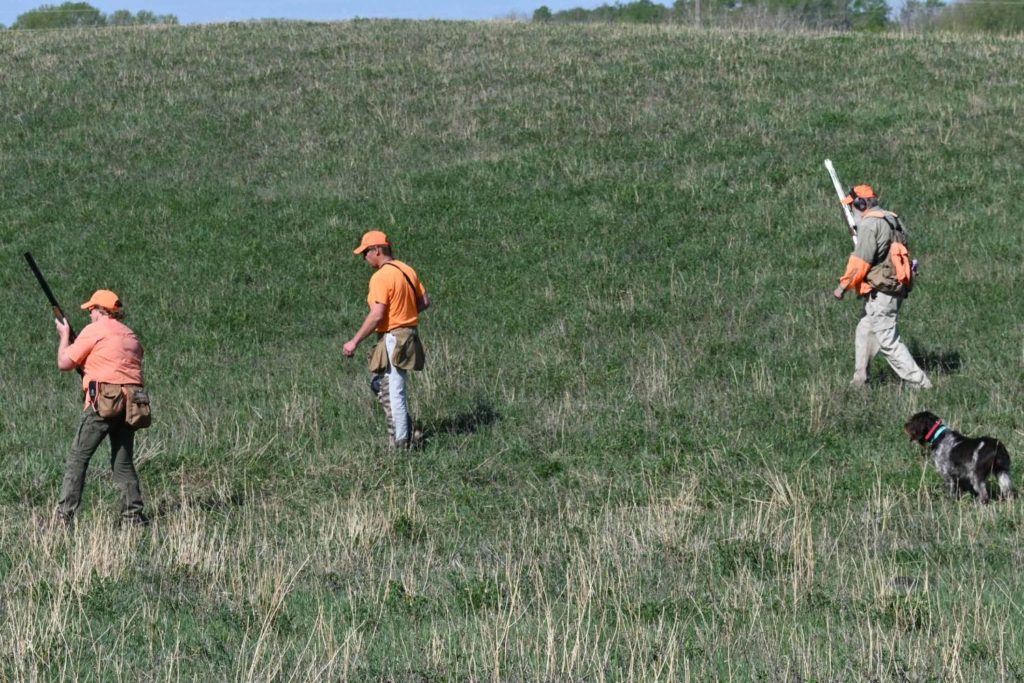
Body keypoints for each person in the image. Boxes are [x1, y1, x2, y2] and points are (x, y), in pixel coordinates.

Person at [55, 289, 149, 527]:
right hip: (132, 405)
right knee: (123, 462)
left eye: (91, 310)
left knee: (78, 458)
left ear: (100, 310)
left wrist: (65, 335)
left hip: (103, 403)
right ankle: (133, 517)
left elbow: (64, 363)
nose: (89, 315)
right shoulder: (130, 335)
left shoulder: (95, 330)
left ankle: (64, 518)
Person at [832, 185, 931, 389]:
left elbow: (861, 261)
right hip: (894, 288)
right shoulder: (891, 218)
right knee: (865, 330)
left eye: (852, 206)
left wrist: (843, 286)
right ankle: (860, 381)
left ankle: (920, 384)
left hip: (883, 293)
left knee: (888, 340)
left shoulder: (870, 225)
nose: (851, 211)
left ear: (861, 203)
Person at [343, 231, 430, 448]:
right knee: (381, 384)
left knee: (394, 392)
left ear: (377, 250)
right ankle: (409, 431)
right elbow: (425, 301)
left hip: (393, 339)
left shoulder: (381, 277)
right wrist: (405, 314)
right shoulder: (407, 270)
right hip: (409, 335)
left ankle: (402, 444)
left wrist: (354, 341)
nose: (364, 258)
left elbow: (377, 314)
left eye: (365, 253)